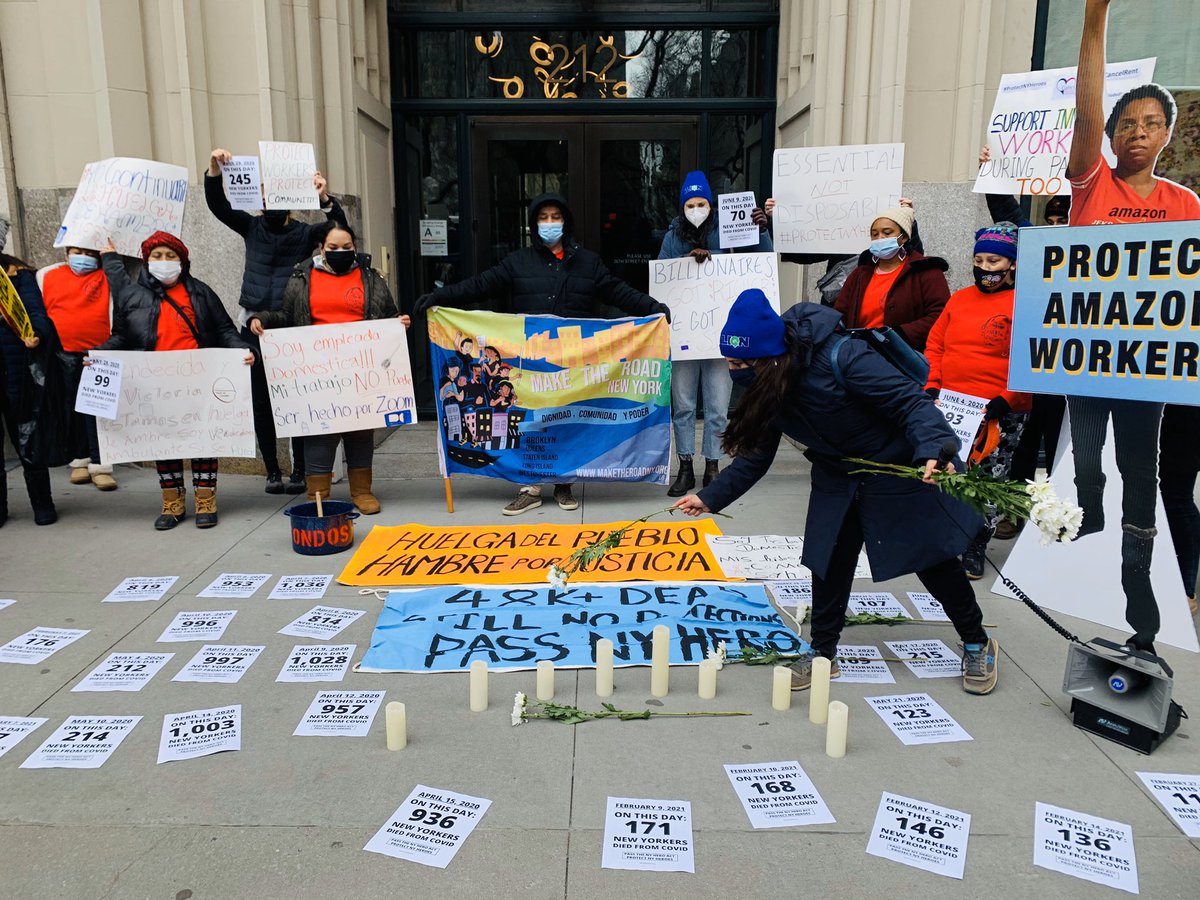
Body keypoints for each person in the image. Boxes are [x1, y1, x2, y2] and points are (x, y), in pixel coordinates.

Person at [674, 288, 998, 695]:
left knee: (932, 560)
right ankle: (823, 652)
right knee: (827, 563)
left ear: (771, 355)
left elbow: (909, 404)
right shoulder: (766, 382)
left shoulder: (844, 357)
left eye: (740, 362)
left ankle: (976, 641)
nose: (732, 369)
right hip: (835, 474)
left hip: (894, 468)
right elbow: (756, 457)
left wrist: (933, 448)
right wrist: (711, 497)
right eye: (729, 360)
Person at [1064, 0, 1200, 651]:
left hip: (1145, 367)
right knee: (1089, 466)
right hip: (1087, 360)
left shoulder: (1184, 206)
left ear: (1166, 135)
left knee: (1139, 474)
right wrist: (1095, 19)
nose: (1135, 132)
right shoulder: (1092, 184)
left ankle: (1138, 590)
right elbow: (1086, 113)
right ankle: (1088, 519)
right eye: (1125, 123)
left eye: (1149, 123)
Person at [413, 193, 672, 515]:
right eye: (543, 217)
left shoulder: (587, 262)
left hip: (572, 363)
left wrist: (652, 308)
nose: (550, 223)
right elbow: (481, 284)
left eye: (555, 216)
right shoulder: (517, 261)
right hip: (530, 363)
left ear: (566, 222)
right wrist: (440, 297)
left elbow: (617, 291)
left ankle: (565, 483)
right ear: (534, 224)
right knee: (532, 424)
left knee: (567, 421)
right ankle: (530, 488)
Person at [205, 147, 348, 495]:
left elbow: (341, 231)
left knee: (295, 401)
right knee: (261, 401)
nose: (271, 202)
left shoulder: (304, 234)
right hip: (253, 325)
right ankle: (272, 470)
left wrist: (325, 198)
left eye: (277, 196)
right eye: (266, 196)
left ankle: (299, 470)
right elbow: (218, 207)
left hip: (291, 328)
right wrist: (214, 172)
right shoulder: (251, 226)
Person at [95, 232, 254, 530]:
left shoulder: (201, 293)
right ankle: (172, 502)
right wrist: (99, 355)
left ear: (183, 261)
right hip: (154, 387)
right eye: (158, 256)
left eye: (171, 256)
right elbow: (120, 336)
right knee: (163, 444)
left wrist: (243, 351)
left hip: (199, 382)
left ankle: (206, 500)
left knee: (204, 442)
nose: (164, 262)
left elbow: (224, 329)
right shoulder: (131, 297)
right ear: (146, 260)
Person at [250, 222, 407, 514]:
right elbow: (287, 314)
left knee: (360, 431)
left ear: (355, 249)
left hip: (361, 369)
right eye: (333, 248)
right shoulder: (302, 277)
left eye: (347, 248)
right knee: (320, 432)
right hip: (318, 372)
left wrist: (399, 323)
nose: (340, 252)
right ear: (321, 249)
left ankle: (362, 492)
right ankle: (317, 495)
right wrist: (263, 319)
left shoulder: (370, 278)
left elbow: (389, 314)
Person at [924, 224, 1031, 578]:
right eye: (978, 259)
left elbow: (1032, 359)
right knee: (951, 475)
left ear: (1012, 264)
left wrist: (1007, 399)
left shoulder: (1026, 302)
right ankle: (945, 538)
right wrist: (933, 384)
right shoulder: (959, 299)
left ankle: (975, 547)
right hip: (954, 405)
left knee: (987, 481)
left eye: (994, 260)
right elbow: (936, 345)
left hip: (999, 412)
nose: (985, 267)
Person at [659, 171, 772, 497]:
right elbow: (664, 279)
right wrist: (687, 262)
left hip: (721, 334)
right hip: (684, 336)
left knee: (718, 406)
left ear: (711, 204)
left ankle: (712, 466)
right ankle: (684, 467)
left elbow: (759, 260)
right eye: (691, 204)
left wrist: (761, 230)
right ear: (683, 207)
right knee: (681, 405)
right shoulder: (671, 239)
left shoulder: (730, 229)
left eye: (702, 203)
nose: (697, 208)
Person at [37, 245, 118, 491]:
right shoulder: (47, 275)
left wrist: (111, 256)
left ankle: (101, 463)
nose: (83, 258)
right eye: (77, 251)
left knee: (98, 409)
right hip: (63, 353)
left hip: (99, 353)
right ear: (66, 253)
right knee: (70, 407)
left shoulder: (108, 276)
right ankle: (79, 460)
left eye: (90, 253)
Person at [832, 206, 950, 352]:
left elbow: (940, 315)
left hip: (905, 356)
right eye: (874, 234)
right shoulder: (859, 274)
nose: (879, 238)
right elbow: (839, 314)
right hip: (858, 355)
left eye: (887, 233)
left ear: (904, 237)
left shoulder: (926, 271)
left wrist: (898, 334)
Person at [1, 249, 57, 526]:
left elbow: (36, 311)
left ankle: (42, 502)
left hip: (16, 369)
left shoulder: (18, 274)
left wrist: (35, 332)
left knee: (26, 434)